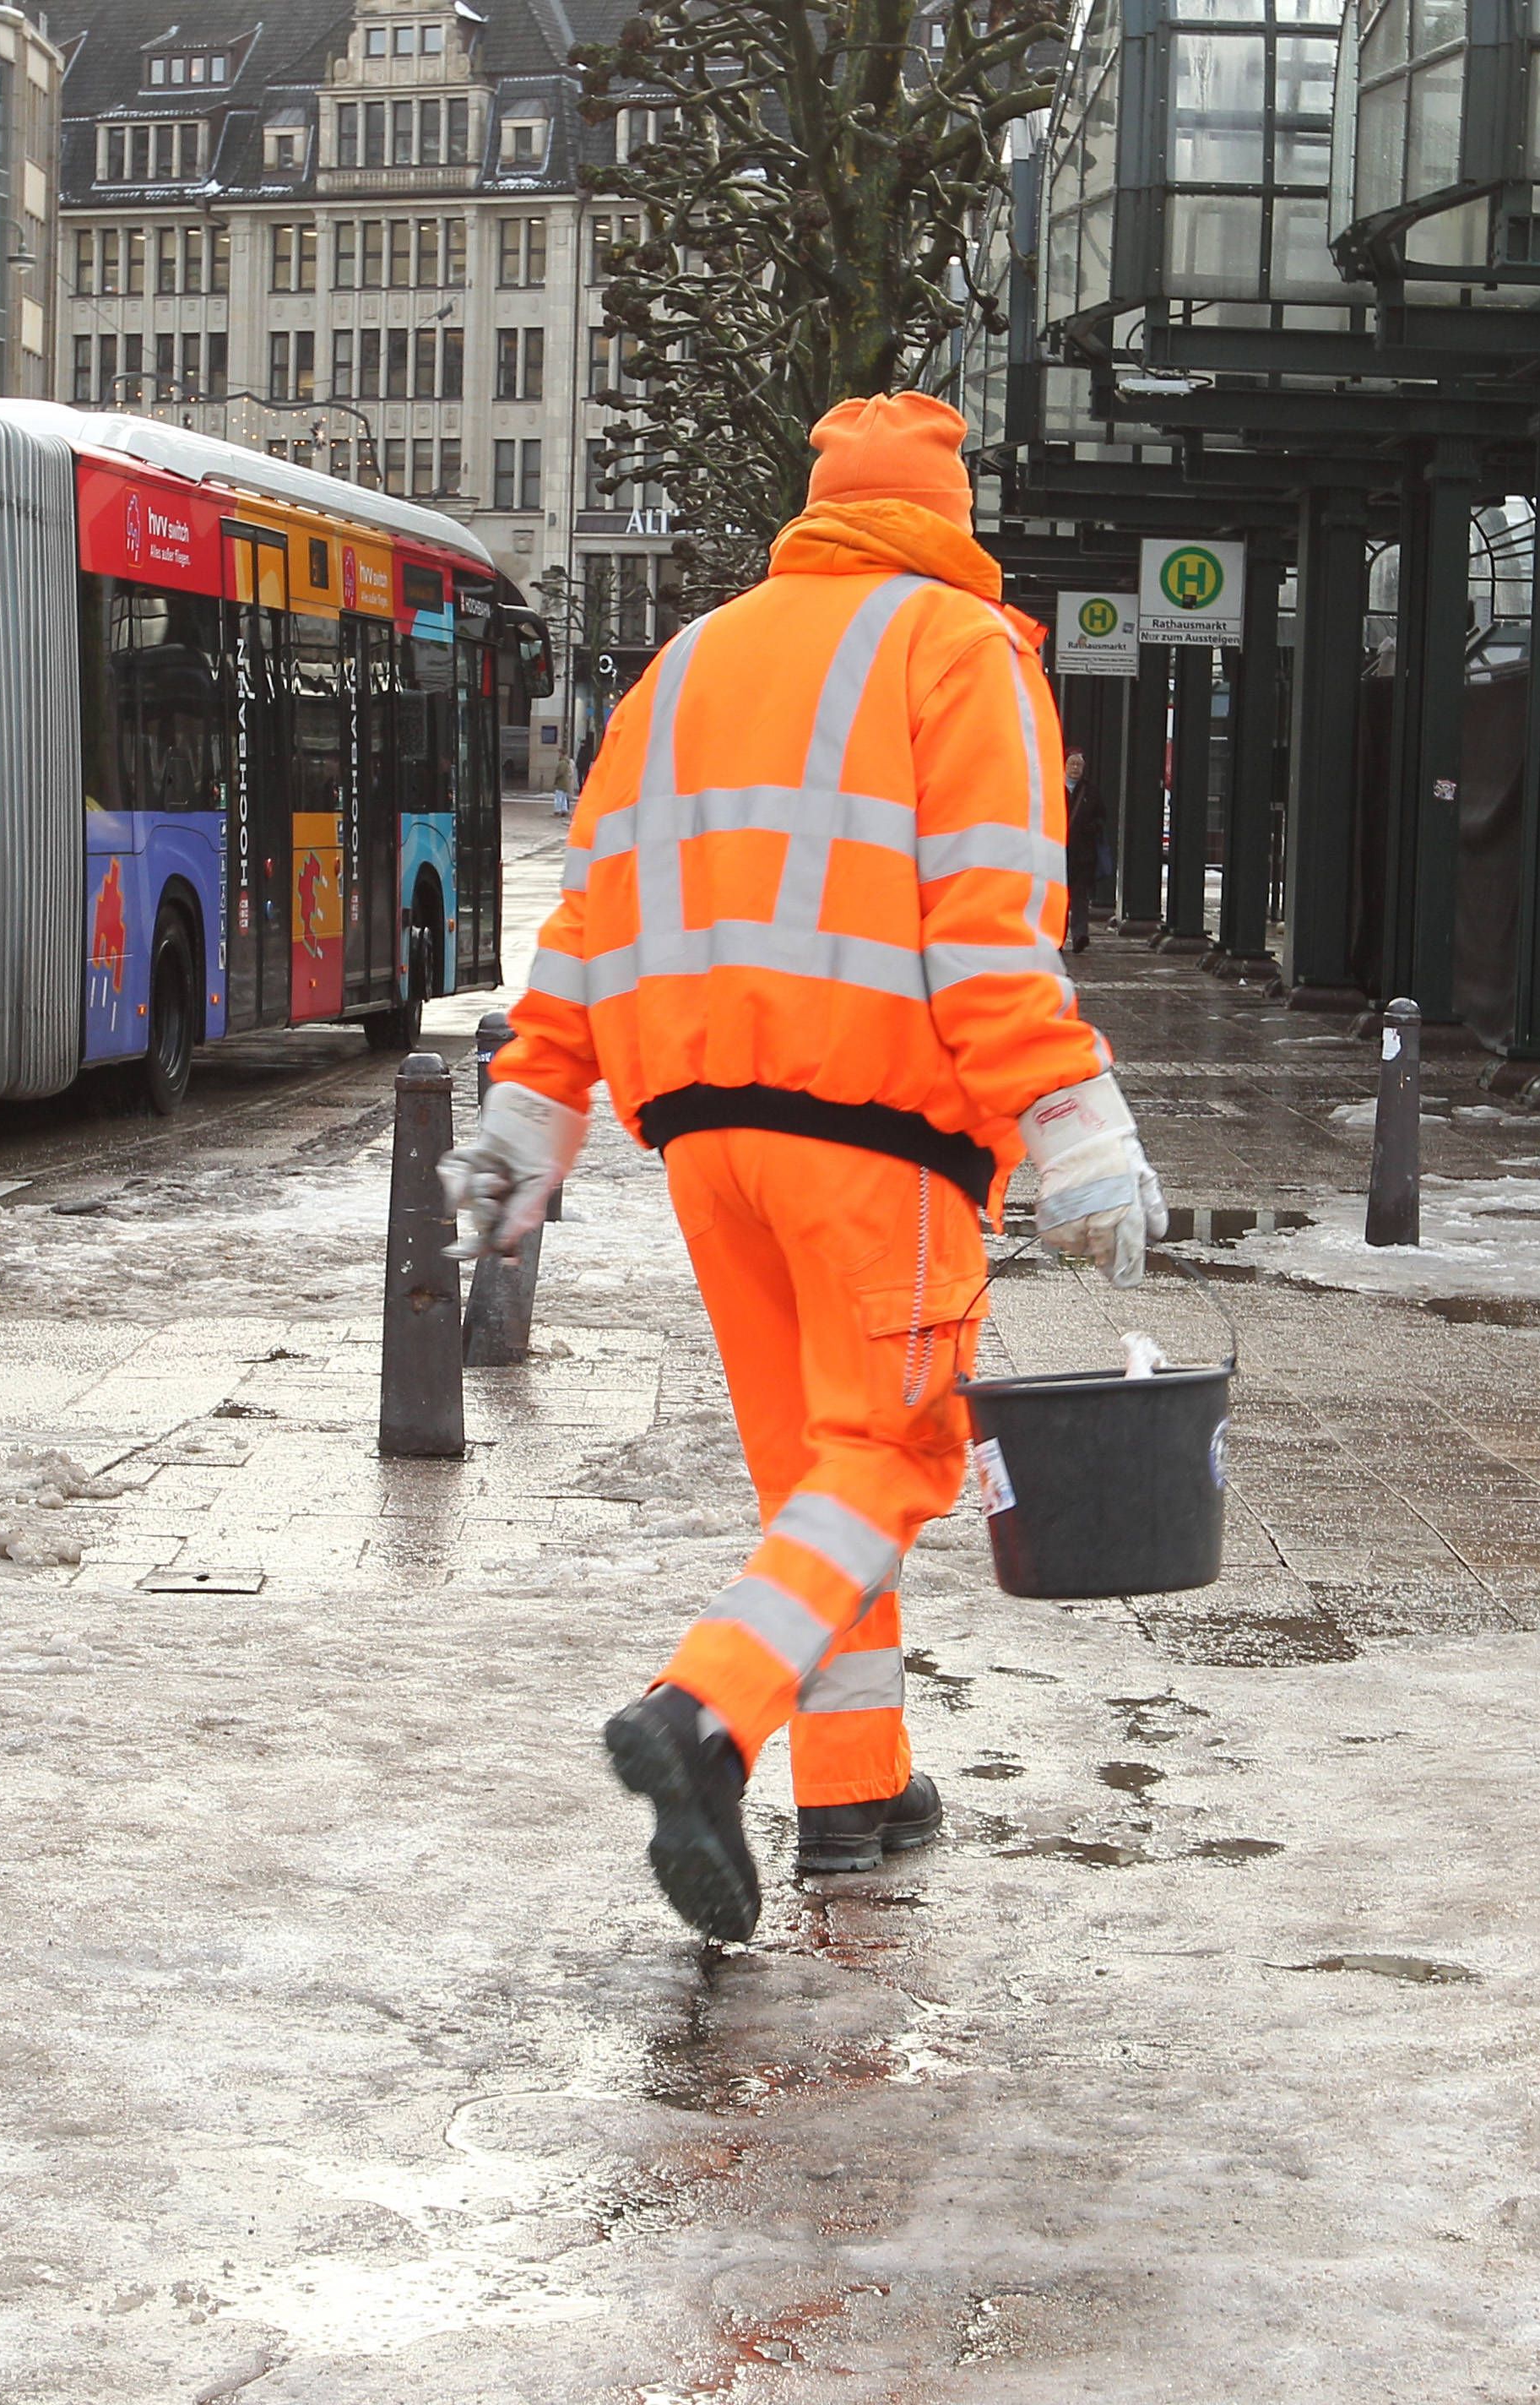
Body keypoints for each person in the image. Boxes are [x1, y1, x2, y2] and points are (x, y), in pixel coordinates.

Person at [444, 394, 1163, 1941]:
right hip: (879, 1127)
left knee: (818, 1476)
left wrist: (528, 1113)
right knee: (897, 1453)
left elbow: (584, 918)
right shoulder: (962, 650)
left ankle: (853, 1788)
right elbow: (986, 931)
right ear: (948, 513)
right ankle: (706, 1714)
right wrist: (1074, 1126)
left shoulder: (688, 660)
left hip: (702, 1132)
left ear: (818, 508)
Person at [1061, 746, 1107, 955]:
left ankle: (1080, 935)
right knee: (1060, 897)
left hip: (1083, 855)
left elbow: (1102, 817)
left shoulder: (1091, 792)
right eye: (1072, 764)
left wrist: (1091, 828)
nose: (1075, 768)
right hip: (1059, 853)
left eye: (1079, 765)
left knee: (1080, 896)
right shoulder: (1053, 789)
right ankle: (1058, 937)